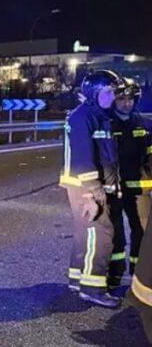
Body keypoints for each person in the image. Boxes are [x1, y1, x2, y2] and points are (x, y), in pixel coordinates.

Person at [61, 70, 122, 308]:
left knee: (86, 233)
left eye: (114, 92)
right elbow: (82, 157)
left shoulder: (99, 115)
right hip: (85, 186)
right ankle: (92, 288)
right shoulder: (83, 117)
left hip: (91, 185)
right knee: (101, 234)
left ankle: (78, 279)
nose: (112, 97)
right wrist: (92, 191)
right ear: (94, 92)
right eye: (108, 92)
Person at [109, 77, 150, 284]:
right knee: (115, 232)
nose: (127, 103)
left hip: (139, 188)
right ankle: (115, 274)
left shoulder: (145, 124)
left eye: (130, 99)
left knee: (142, 230)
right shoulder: (106, 123)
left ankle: (138, 275)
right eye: (122, 99)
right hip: (114, 189)